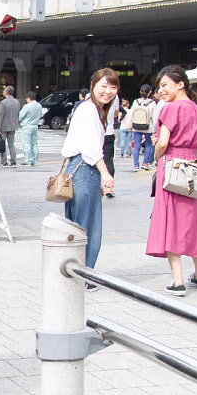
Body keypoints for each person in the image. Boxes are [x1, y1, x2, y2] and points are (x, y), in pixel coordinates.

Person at [146, 66, 197, 296]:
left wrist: (155, 153)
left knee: (171, 221)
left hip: (172, 165)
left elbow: (163, 143)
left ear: (180, 84)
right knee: (195, 221)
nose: (160, 90)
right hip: (193, 166)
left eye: (164, 85)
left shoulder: (170, 108)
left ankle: (178, 281)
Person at [61, 68, 119, 274]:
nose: (108, 91)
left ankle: (74, 271)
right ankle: (82, 275)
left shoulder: (90, 109)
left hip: (80, 171)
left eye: (113, 87)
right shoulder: (89, 110)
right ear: (93, 86)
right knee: (87, 229)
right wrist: (104, 173)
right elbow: (91, 149)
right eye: (104, 86)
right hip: (84, 168)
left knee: (77, 226)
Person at [131, 84, 157, 170]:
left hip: (136, 126)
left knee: (137, 146)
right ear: (150, 92)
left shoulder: (136, 102)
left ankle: (136, 165)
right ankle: (145, 163)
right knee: (148, 145)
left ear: (140, 92)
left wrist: (130, 125)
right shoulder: (152, 103)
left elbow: (131, 114)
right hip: (148, 127)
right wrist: (155, 129)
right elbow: (154, 117)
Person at [0, 86, 20, 168]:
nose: (3, 92)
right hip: (13, 126)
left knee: (2, 144)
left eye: (4, 91)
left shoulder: (3, 102)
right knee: (11, 144)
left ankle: (4, 161)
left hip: (4, 126)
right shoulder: (17, 102)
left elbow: (0, 115)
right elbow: (17, 114)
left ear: (6, 93)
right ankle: (13, 161)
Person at [18, 90, 43, 165]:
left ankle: (28, 160)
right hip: (35, 125)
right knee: (34, 144)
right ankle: (35, 160)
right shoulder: (39, 106)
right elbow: (40, 115)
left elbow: (21, 116)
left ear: (29, 98)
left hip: (27, 126)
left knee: (27, 144)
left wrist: (20, 120)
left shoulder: (27, 106)